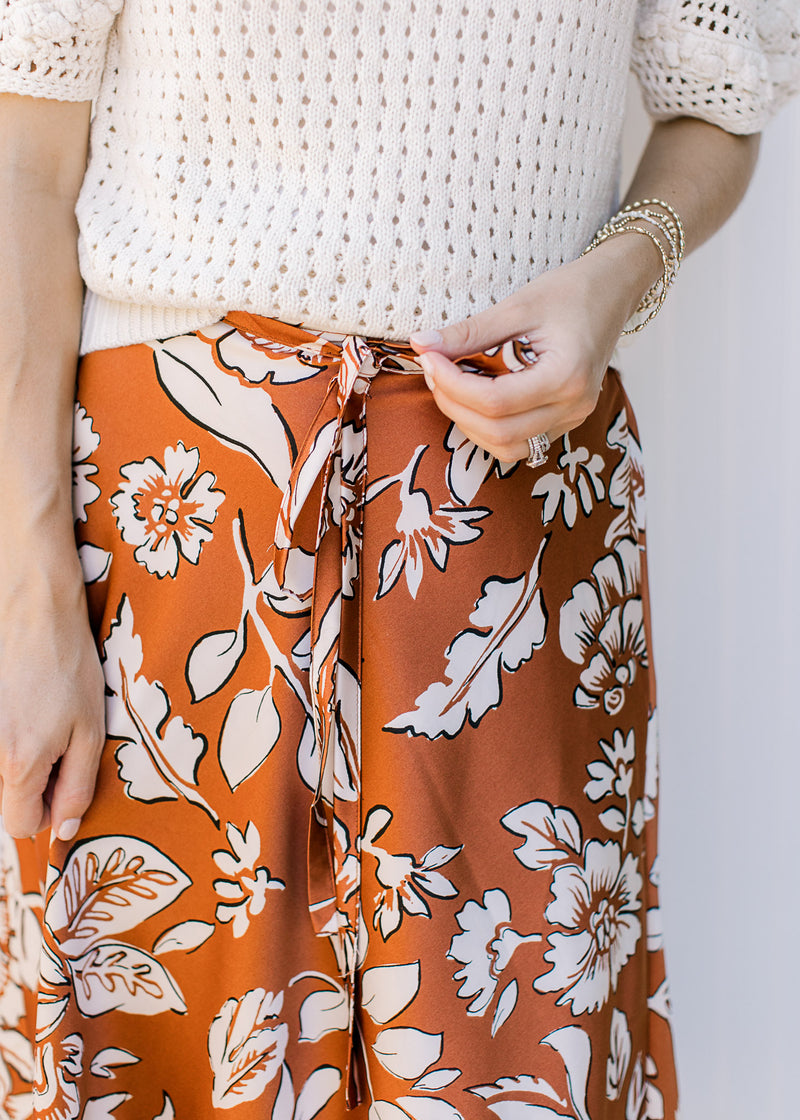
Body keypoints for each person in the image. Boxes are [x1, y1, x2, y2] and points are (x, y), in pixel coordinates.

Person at [0, 1, 797, 1117]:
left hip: (513, 522)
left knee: (508, 1060)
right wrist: (29, 594)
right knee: (170, 1054)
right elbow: (24, 158)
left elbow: (714, 105)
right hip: (175, 526)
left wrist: (614, 280)